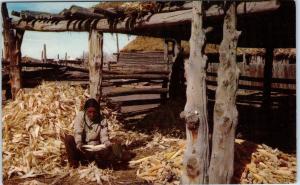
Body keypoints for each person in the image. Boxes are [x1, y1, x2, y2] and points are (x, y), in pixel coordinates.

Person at [64, 98, 133, 168]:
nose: (92, 114)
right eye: (89, 112)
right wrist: (79, 142)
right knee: (68, 139)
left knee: (112, 146)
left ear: (98, 111)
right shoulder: (80, 116)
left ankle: (96, 161)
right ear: (85, 111)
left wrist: (106, 143)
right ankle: (74, 163)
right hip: (83, 148)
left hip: (96, 148)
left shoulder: (102, 120)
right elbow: (78, 132)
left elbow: (104, 136)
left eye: (94, 112)